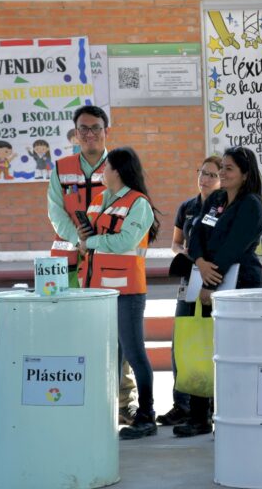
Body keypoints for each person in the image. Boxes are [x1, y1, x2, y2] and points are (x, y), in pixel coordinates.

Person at [47, 105, 139, 426]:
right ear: (75, 133)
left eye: (96, 128)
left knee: (116, 332)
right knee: (74, 329)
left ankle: (124, 402)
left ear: (106, 131)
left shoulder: (120, 166)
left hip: (109, 260)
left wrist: (98, 241)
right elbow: (56, 212)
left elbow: (132, 206)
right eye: (83, 129)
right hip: (72, 261)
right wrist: (78, 239)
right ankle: (80, 399)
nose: (89, 134)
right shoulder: (61, 168)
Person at [175, 146, 262, 437]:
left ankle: (233, 414)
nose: (223, 173)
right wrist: (199, 262)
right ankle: (199, 416)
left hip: (238, 284)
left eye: (229, 169)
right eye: (222, 167)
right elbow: (197, 233)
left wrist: (209, 284)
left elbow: (234, 248)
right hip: (203, 274)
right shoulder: (215, 199)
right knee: (203, 347)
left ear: (245, 174)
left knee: (234, 352)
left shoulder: (251, 204)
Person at [77, 146, 161, 440]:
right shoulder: (99, 200)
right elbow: (89, 240)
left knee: (134, 353)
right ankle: (106, 410)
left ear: (118, 171)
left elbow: (126, 240)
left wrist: (92, 242)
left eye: (106, 166)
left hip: (127, 292)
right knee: (108, 355)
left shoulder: (139, 204)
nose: (102, 170)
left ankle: (147, 415)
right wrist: (84, 240)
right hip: (98, 291)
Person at [156, 155, 223, 427]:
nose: (204, 179)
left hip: (214, 280)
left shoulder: (224, 207)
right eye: (202, 172)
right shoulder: (187, 207)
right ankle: (181, 404)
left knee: (212, 342)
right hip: (189, 280)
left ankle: (212, 404)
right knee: (182, 341)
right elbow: (175, 242)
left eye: (211, 174)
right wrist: (185, 254)